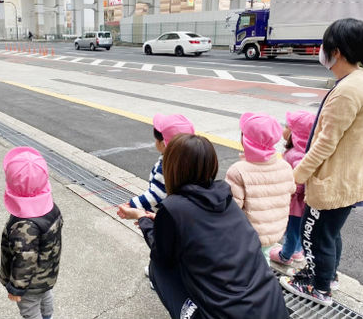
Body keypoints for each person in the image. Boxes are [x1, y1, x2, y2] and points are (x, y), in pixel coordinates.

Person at [118, 134, 289, 319]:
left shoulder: (174, 207)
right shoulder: (226, 199)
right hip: (272, 307)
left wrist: (142, 218)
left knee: (158, 268)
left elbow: (162, 254)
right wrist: (161, 222)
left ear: (171, 167)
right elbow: (201, 229)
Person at [280, 18, 363, 306]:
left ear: (336, 51)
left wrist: (298, 174)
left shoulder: (348, 90)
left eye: (325, 46)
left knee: (314, 234)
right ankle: (328, 276)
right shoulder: (357, 82)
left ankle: (319, 288)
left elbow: (325, 143)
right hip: (347, 178)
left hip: (331, 182)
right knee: (329, 234)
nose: (322, 51)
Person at [0, 147, 63, 319]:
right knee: (45, 296)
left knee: (29, 308)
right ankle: (48, 316)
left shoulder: (23, 226)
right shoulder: (51, 208)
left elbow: (24, 259)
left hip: (30, 284)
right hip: (47, 275)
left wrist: (16, 288)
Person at [225, 112, 296, 264]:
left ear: (245, 139)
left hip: (248, 236)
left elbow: (232, 208)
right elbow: (291, 190)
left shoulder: (238, 170)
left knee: (248, 267)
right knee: (262, 261)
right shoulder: (285, 166)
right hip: (274, 230)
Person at [270, 111, 315, 266]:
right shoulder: (307, 152)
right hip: (305, 202)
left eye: (287, 127)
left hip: (295, 201)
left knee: (292, 229)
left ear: (296, 134)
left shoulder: (297, 155)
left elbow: (298, 182)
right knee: (300, 228)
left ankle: (285, 255)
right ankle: (297, 251)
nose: (284, 129)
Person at [128, 113, 195, 212]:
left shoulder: (166, 167)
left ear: (163, 145)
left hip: (163, 215)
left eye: (157, 139)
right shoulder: (191, 161)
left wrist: (132, 204)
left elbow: (155, 195)